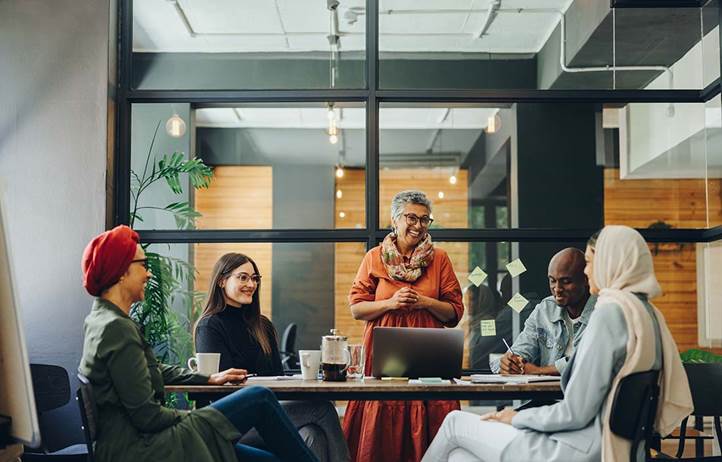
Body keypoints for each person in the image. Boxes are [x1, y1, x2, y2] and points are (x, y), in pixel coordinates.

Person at [421, 225, 693, 462]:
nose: (588, 271)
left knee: (455, 422)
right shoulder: (645, 313)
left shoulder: (609, 313)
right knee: (460, 457)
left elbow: (574, 412)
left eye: (590, 262)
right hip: (612, 445)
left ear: (611, 262)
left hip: (575, 448)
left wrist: (515, 418)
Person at [77, 225, 318, 462]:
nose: (149, 274)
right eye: (143, 265)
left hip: (139, 440)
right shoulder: (116, 328)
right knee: (260, 397)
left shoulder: (103, 320)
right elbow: (147, 417)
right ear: (121, 271)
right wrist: (201, 419)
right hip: (143, 447)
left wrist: (209, 378)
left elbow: (154, 370)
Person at [342, 190, 465, 462]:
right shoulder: (374, 257)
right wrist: (390, 303)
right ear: (394, 220)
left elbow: (454, 312)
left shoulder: (440, 258)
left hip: (429, 357)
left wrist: (424, 301)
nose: (418, 225)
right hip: (383, 358)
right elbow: (356, 308)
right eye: (412, 217)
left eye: (424, 220)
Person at [194, 252, 350, 462]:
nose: (251, 284)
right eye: (243, 277)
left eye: (254, 279)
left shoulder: (262, 325)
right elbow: (221, 392)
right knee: (321, 408)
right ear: (222, 281)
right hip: (234, 422)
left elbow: (278, 376)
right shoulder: (210, 326)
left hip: (268, 413)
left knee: (312, 434)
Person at [491, 248, 596, 376]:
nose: (557, 289)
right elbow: (521, 349)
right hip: (544, 395)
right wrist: (510, 362)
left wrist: (537, 371)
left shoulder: (601, 312)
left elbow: (586, 361)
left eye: (566, 281)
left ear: (585, 279)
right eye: (552, 280)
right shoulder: (544, 309)